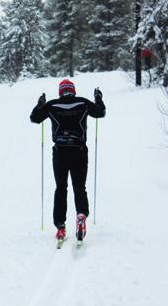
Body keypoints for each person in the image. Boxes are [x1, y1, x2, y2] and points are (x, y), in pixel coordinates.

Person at [30, 79, 106, 242]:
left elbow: (34, 118)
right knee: (79, 187)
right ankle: (81, 215)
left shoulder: (52, 105)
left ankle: (60, 225)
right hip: (79, 150)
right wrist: (98, 98)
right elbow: (100, 112)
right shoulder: (83, 103)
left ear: (60, 92)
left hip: (60, 152)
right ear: (73, 91)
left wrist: (40, 104)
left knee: (61, 188)